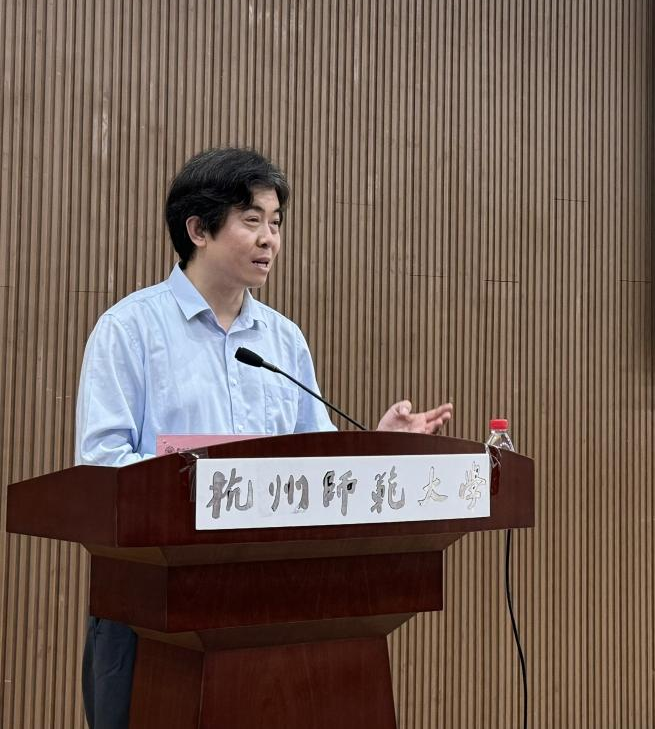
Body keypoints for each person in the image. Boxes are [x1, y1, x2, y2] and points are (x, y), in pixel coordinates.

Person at [75, 147, 453, 728]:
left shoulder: (283, 341)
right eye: (251, 220)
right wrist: (192, 478)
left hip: (272, 605)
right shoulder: (129, 329)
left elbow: (317, 465)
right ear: (198, 230)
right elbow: (101, 466)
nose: (269, 239)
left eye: (275, 223)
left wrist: (377, 445)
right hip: (155, 610)